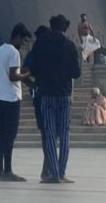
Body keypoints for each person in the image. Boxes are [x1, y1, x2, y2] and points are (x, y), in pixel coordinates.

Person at [27, 14, 80, 185]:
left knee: (49, 134)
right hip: (64, 94)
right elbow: (76, 73)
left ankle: (53, 174)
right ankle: (62, 172)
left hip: (46, 94)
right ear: (65, 28)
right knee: (64, 133)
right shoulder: (71, 46)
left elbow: (33, 70)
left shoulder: (41, 44)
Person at [0, 23, 28, 183]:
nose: (24, 44)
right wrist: (27, 74)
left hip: (1, 97)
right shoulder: (14, 53)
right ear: (18, 37)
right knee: (10, 135)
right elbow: (13, 76)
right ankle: (8, 170)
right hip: (12, 98)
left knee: (2, 135)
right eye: (24, 40)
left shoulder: (0, 50)